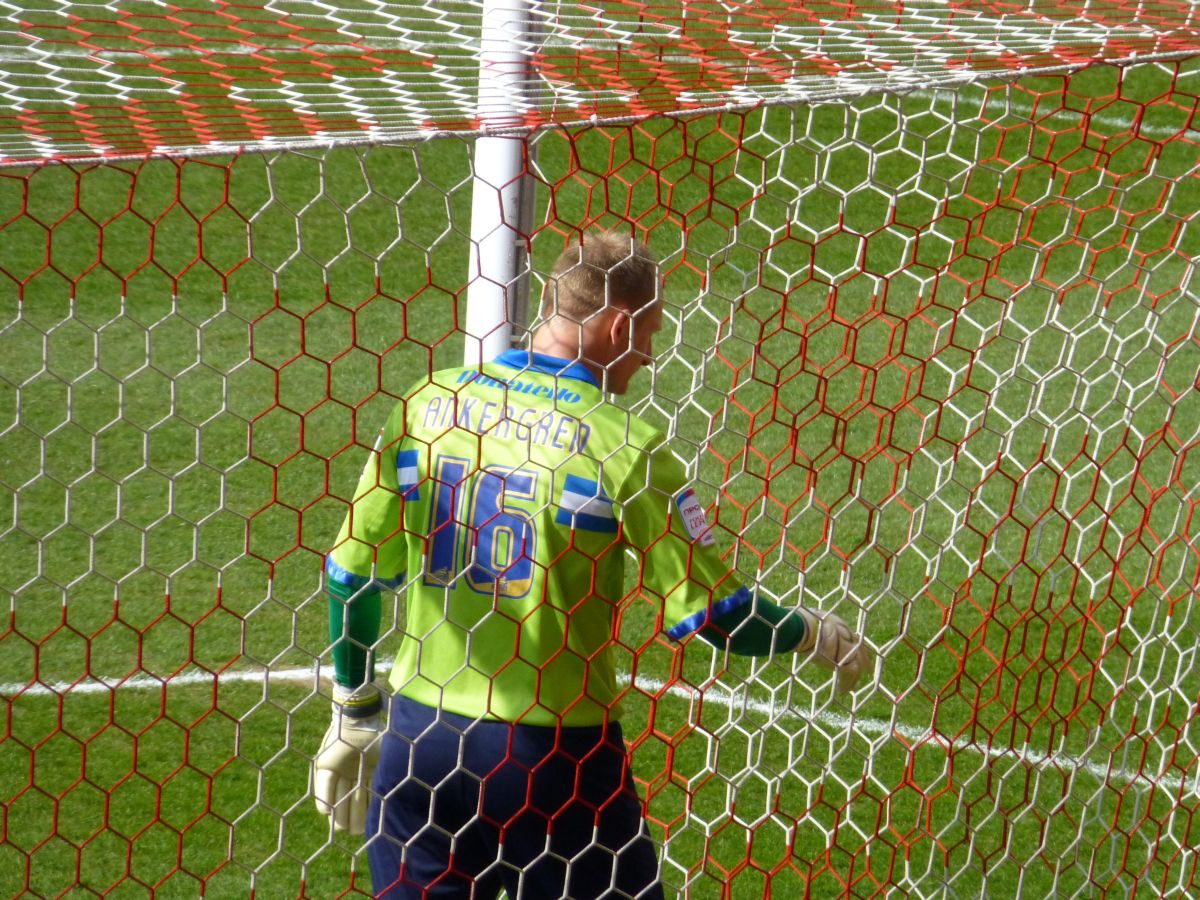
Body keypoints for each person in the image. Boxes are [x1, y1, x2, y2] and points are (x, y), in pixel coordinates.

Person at [312, 230, 872, 898]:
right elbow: (717, 616)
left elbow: (351, 575)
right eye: (649, 334)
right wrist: (809, 633)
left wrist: (354, 706)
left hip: (420, 742)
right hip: (552, 759)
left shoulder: (428, 404)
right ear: (615, 323)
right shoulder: (624, 446)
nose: (647, 355)